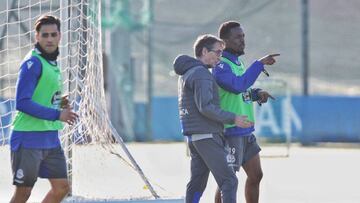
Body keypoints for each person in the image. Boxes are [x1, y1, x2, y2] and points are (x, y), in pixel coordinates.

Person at [173, 34, 254, 203]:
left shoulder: (187, 73)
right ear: (204, 51)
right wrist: (234, 118)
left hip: (195, 137)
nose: (220, 56)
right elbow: (206, 107)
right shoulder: (201, 74)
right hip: (207, 136)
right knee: (229, 181)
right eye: (217, 52)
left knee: (197, 184)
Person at [9, 15, 78, 203]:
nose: (49, 39)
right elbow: (22, 102)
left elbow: (44, 96)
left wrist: (60, 103)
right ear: (36, 36)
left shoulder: (52, 63)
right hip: (28, 137)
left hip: (50, 138)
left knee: (62, 188)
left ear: (60, 36)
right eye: (45, 35)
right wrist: (58, 114)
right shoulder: (33, 63)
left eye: (53, 34)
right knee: (24, 193)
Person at [212, 21, 279, 203]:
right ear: (224, 42)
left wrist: (257, 94)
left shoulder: (238, 63)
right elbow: (237, 85)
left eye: (243, 36)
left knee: (256, 175)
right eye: (238, 37)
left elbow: (240, 92)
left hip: (246, 131)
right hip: (231, 131)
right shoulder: (220, 66)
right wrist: (259, 64)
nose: (242, 41)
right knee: (228, 181)